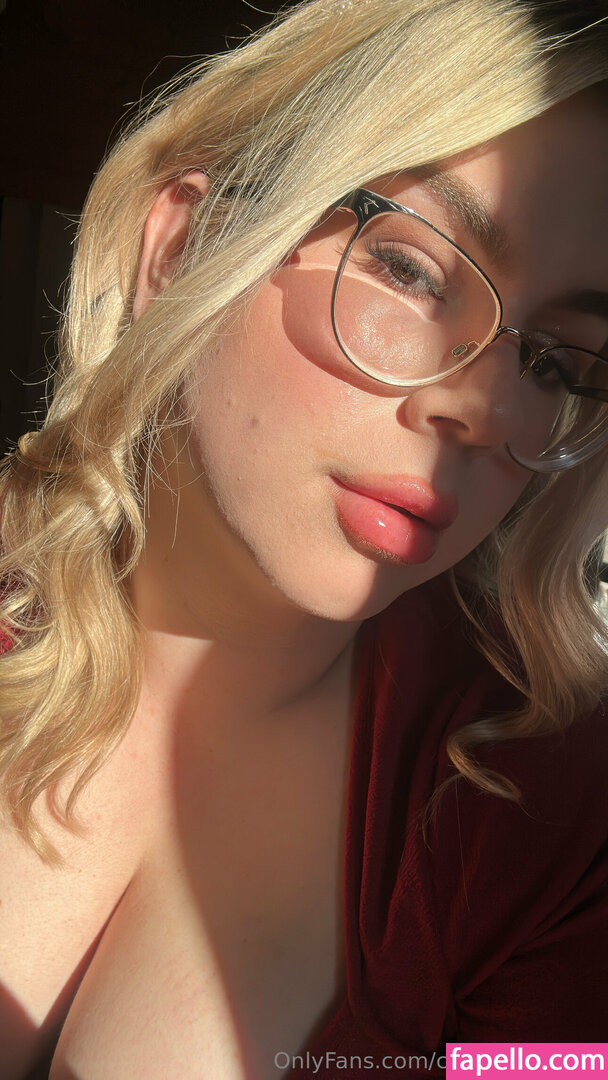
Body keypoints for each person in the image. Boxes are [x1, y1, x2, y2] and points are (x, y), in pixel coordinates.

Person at [1, 0, 608, 1077]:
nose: (485, 409)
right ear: (180, 245)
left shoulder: (549, 822)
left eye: (554, 360)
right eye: (412, 272)